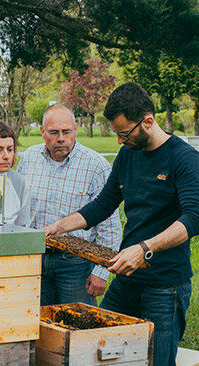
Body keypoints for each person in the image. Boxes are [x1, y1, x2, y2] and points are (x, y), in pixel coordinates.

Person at [43, 83, 199, 366]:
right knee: (99, 352)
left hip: (165, 285)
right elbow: (104, 204)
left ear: (148, 122)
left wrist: (144, 248)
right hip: (127, 279)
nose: (118, 141)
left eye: (123, 134)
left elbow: (193, 218)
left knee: (158, 361)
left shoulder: (184, 159)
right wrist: (61, 226)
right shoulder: (128, 154)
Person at [16, 104, 121, 306]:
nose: (61, 138)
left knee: (78, 326)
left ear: (76, 129)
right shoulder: (29, 158)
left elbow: (110, 225)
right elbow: (18, 209)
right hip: (35, 257)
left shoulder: (96, 165)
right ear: (42, 131)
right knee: (38, 325)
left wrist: (101, 272)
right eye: (54, 132)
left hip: (76, 263)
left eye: (67, 132)